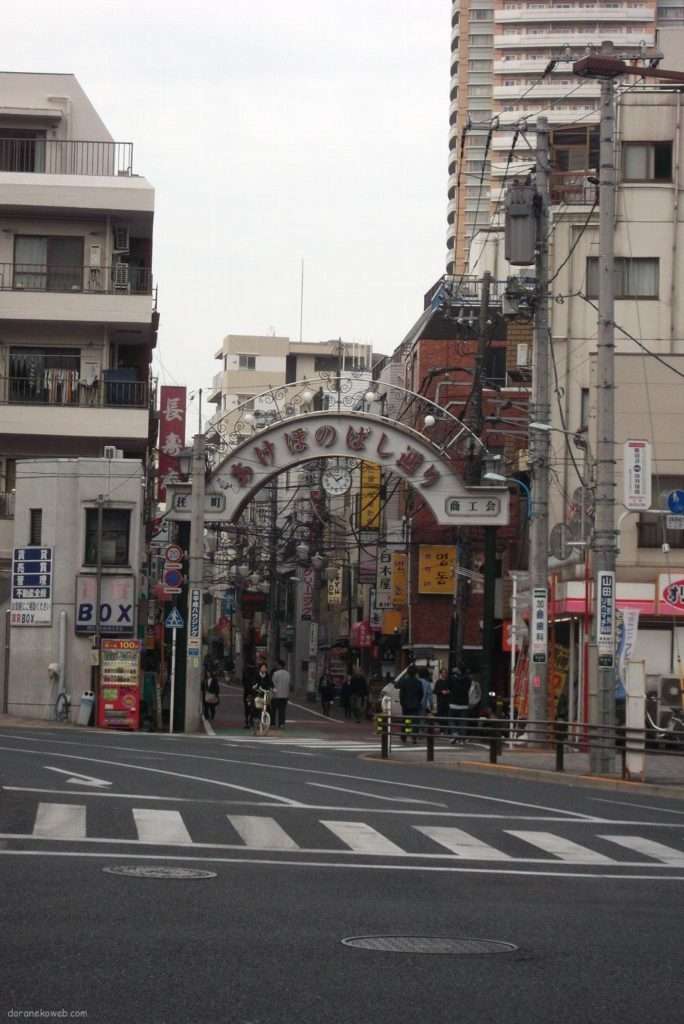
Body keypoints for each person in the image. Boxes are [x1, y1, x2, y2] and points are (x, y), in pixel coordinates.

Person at [398, 663, 423, 744]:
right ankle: (414, 737)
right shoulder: (418, 682)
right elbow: (421, 694)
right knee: (415, 721)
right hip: (415, 704)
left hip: (406, 705)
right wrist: (418, 701)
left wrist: (402, 703)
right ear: (416, 673)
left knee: (406, 721)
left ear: (408, 673)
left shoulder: (404, 681)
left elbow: (401, 694)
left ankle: (404, 735)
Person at [448, 663, 471, 744]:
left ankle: (455, 733)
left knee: (451, 720)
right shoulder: (468, 679)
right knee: (463, 722)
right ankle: (462, 739)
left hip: (453, 702)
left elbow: (449, 687)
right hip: (464, 703)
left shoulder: (452, 678)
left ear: (459, 669)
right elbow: (467, 689)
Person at [271, 659, 291, 729]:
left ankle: (273, 723)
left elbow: (273, 684)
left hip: (276, 695)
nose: (276, 665)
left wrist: (272, 693)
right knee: (282, 710)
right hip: (284, 695)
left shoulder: (275, 673)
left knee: (273, 710)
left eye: (277, 664)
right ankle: (281, 723)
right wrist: (288, 694)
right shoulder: (288, 674)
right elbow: (288, 685)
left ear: (279, 665)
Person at [241, 662, 257, 729]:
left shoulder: (245, 672)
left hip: (247, 693)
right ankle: (251, 720)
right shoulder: (256, 671)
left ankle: (247, 721)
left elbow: (243, 682)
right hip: (254, 692)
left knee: (247, 707)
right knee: (253, 706)